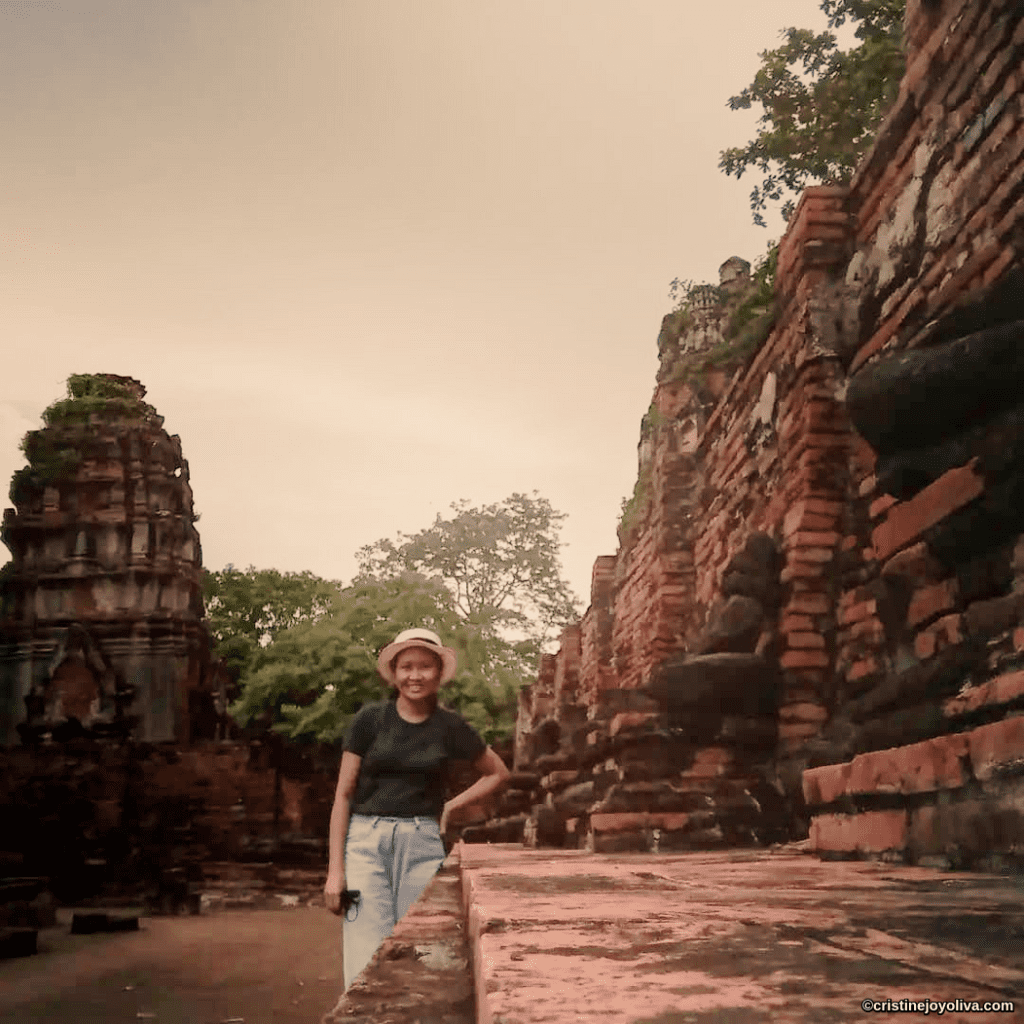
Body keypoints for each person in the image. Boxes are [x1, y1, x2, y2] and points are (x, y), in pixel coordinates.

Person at [324, 627, 510, 989]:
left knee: (421, 952)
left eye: (425, 666)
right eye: (406, 666)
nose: (415, 675)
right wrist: (335, 871)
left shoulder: (450, 726)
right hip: (366, 842)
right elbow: (343, 795)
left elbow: (497, 773)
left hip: (421, 843)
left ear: (439, 674)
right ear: (394, 673)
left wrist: (450, 807)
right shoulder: (369, 721)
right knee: (366, 957)